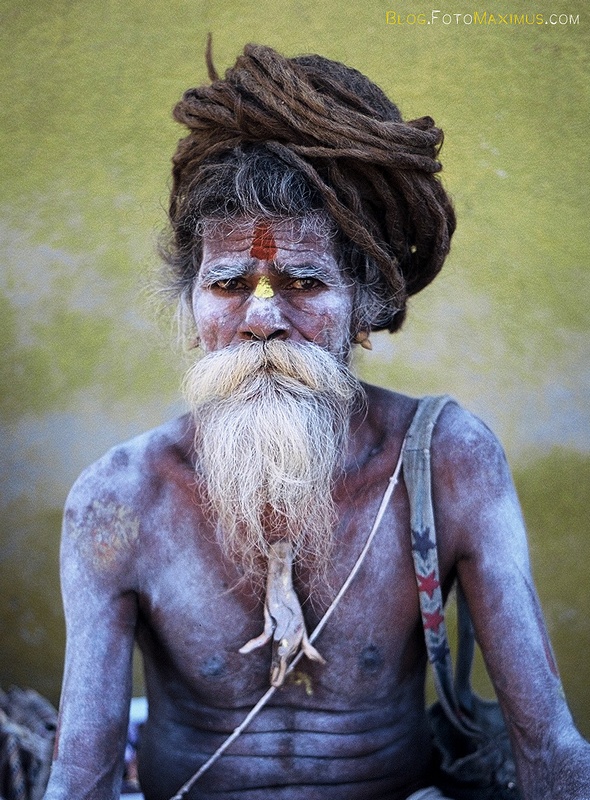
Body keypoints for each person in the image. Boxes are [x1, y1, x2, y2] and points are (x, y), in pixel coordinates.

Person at [43, 43, 590, 800]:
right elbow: (81, 778)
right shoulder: (119, 500)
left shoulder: (450, 462)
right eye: (229, 284)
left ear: (363, 306)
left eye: (304, 281)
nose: (263, 318)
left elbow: (551, 750)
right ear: (191, 304)